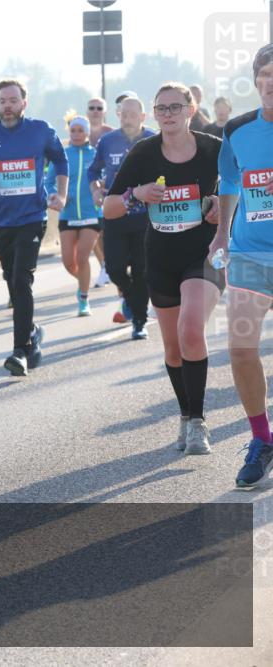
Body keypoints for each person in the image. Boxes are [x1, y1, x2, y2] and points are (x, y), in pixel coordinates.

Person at [104, 82, 223, 455]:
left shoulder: (213, 149)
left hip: (203, 254)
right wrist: (136, 195)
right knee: (173, 349)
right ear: (153, 115)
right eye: (162, 109)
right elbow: (109, 208)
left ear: (190, 110)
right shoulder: (143, 153)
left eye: (175, 107)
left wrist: (222, 208)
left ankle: (199, 422)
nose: (168, 114)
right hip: (161, 257)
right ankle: (187, 415)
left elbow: (240, 192)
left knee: (191, 330)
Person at [0, 79, 68, 376]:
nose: (7, 106)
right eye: (2, 101)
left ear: (24, 103)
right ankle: (32, 330)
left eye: (12, 100)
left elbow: (60, 160)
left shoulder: (40, 131)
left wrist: (60, 194)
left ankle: (20, 350)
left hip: (33, 218)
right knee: (12, 280)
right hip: (1, 222)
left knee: (22, 281)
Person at [209, 44, 273, 487]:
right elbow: (230, 180)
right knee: (241, 349)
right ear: (256, 80)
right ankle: (262, 439)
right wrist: (220, 234)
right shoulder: (237, 129)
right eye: (266, 74)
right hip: (249, 252)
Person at [90, 97, 156, 339]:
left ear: (142, 116)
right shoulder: (108, 141)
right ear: (118, 116)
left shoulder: (152, 139)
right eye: (123, 113)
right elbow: (93, 169)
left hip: (145, 217)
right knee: (116, 270)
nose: (127, 117)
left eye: (132, 113)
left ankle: (139, 320)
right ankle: (131, 299)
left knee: (141, 271)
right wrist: (95, 189)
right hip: (115, 213)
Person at [48, 115, 101, 316]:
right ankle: (83, 282)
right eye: (73, 130)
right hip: (67, 214)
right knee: (69, 262)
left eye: (80, 130)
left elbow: (102, 178)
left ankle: (84, 298)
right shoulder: (62, 155)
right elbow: (48, 180)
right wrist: (57, 194)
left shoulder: (95, 155)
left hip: (90, 214)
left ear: (87, 132)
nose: (77, 134)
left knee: (83, 256)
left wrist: (101, 191)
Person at [87, 97, 113, 288]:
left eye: (99, 108)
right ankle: (104, 266)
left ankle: (110, 264)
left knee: (106, 230)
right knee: (94, 230)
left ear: (105, 112)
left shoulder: (111, 134)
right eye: (92, 108)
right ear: (87, 112)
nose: (95, 111)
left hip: (110, 186)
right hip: (89, 187)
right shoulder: (81, 133)